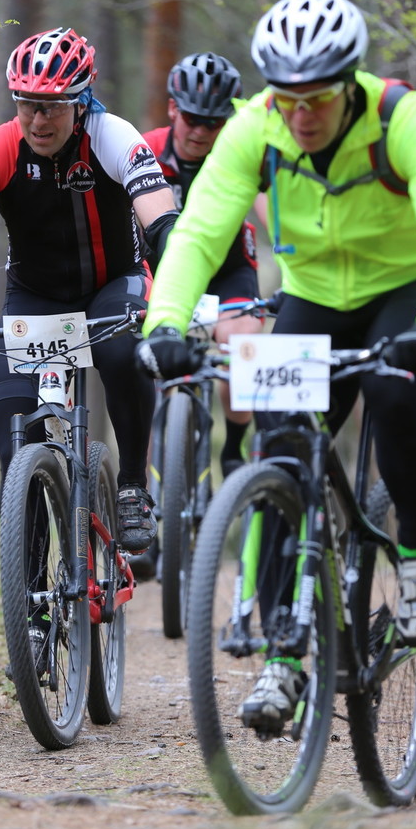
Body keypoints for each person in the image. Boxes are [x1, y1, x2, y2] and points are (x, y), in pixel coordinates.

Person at [138, 0, 416, 734]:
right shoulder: (255, 127)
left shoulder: (404, 118)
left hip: (403, 290)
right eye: (287, 98)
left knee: (395, 395)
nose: (301, 114)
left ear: (349, 86)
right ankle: (286, 649)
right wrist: (166, 321)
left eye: (318, 99)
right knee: (278, 444)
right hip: (314, 298)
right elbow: (202, 230)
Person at [0, 27, 179, 661]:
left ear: (81, 100)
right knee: (14, 439)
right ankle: (30, 606)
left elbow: (161, 221)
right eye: (27, 101)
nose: (38, 116)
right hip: (36, 299)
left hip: (114, 285)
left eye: (52, 104)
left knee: (119, 354)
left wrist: (176, 293)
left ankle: (132, 483)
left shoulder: (114, 139)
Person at [131, 52, 264, 583]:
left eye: (214, 122)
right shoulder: (146, 150)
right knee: (142, 361)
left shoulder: (237, 152)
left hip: (229, 269)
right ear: (173, 111)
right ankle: (143, 498)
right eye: (192, 119)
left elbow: (270, 210)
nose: (201, 131)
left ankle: (233, 447)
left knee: (241, 349)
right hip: (162, 267)